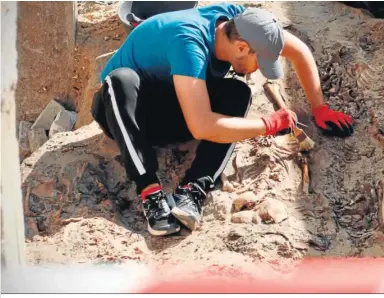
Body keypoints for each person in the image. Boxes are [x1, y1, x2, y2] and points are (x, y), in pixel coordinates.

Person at [91, 3, 355, 236]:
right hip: (129, 116)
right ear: (241, 47)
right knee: (120, 80)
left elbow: (298, 51)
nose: (258, 71)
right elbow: (202, 126)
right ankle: (150, 193)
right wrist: (269, 124)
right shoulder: (188, 44)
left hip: (176, 97)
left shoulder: (237, 21)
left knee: (237, 93)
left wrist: (320, 107)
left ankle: (192, 189)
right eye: (258, 62)